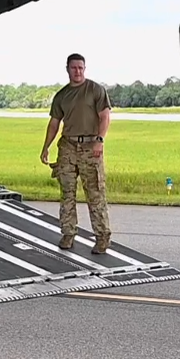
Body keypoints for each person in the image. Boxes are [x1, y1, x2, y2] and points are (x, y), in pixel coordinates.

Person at [40, 53, 112, 253]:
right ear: (67, 69)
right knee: (67, 193)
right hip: (68, 147)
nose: (78, 71)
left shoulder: (95, 90)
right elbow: (54, 123)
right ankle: (68, 233)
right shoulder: (62, 96)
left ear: (84, 69)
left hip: (91, 146)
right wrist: (46, 146)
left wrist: (99, 140)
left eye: (81, 68)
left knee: (95, 194)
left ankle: (102, 237)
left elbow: (105, 116)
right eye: (74, 68)